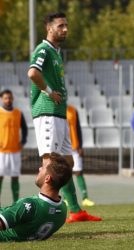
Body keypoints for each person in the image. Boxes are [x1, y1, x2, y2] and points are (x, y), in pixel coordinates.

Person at [27, 11, 101, 222]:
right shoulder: (44, 49)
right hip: (47, 113)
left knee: (66, 164)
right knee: (49, 163)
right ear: (49, 29)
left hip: (58, 114)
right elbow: (33, 73)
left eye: (66, 25)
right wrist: (49, 92)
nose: (65, 29)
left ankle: (76, 211)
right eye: (60, 26)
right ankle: (42, 212)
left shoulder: (56, 52)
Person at [0, 152, 72, 242]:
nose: (39, 168)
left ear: (47, 178)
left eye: (43, 167)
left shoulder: (29, 205)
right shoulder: (62, 210)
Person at [0, 89, 28, 205]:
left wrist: (23, 141)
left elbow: (25, 129)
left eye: (10, 98)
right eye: (6, 98)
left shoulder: (18, 113)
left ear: (13, 98)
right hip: (2, 151)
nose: (8, 100)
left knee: (15, 176)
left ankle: (15, 203)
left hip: (15, 150)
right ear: (2, 99)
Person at [66, 105, 95, 206]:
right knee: (65, 173)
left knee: (78, 171)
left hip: (74, 145)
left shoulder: (73, 110)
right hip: (62, 147)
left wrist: (80, 145)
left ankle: (85, 198)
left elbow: (77, 128)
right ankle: (66, 199)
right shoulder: (55, 109)